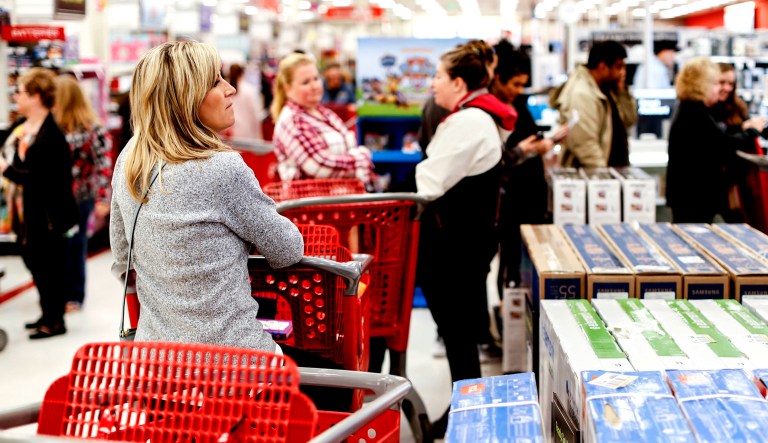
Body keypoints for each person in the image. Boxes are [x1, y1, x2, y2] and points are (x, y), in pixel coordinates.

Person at [110, 41, 304, 353]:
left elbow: (123, 258)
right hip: (234, 370)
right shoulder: (221, 168)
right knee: (344, 384)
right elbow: (287, 250)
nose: (230, 90)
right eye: (215, 82)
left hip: (159, 372)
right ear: (186, 98)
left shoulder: (130, 159)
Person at [415, 40, 517, 438]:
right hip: (466, 244)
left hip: (454, 248)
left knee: (457, 333)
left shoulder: (467, 122)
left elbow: (428, 182)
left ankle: (467, 412)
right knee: (460, 335)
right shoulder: (478, 117)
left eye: (439, 76)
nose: (433, 84)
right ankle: (466, 407)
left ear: (458, 83)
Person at [0, 67, 79, 339]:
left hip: (48, 215)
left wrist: (5, 170)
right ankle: (47, 314)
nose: (16, 98)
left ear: (36, 96)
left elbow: (42, 179)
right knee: (35, 263)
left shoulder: (51, 135)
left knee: (48, 266)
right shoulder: (22, 128)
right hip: (27, 213)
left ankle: (54, 321)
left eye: (20, 92)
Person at [489, 41, 565, 293]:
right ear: (497, 78)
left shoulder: (516, 105)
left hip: (528, 195)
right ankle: (506, 307)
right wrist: (529, 149)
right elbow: (501, 158)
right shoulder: (490, 112)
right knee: (510, 256)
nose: (518, 91)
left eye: (523, 85)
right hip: (510, 198)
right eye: (515, 84)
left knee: (523, 256)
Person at [666, 57, 764, 223]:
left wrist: (742, 130)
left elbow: (715, 139)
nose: (720, 89)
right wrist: (752, 131)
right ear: (701, 83)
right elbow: (723, 144)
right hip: (694, 195)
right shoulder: (694, 111)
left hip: (692, 194)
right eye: (716, 83)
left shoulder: (691, 109)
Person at [53, 75, 113, 313]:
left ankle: (74, 295)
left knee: (75, 245)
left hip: (81, 196)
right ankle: (58, 290)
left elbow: (104, 165)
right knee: (58, 245)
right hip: (56, 197)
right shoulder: (53, 126)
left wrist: (102, 198)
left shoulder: (92, 129)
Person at [271, 53, 374, 188]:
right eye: (305, 82)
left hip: (338, 200)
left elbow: (346, 148)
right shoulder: (293, 120)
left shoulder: (324, 113)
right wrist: (360, 159)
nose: (314, 86)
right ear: (287, 88)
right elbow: (319, 165)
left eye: (316, 78)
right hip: (309, 205)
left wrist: (352, 159)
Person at [550, 40, 637, 167]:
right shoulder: (582, 93)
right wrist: (603, 177)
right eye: (619, 67)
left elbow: (629, 120)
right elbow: (584, 144)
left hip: (610, 172)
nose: (623, 72)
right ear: (602, 67)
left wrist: (622, 92)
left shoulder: (609, 89)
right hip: (592, 176)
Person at [708, 62, 768, 224]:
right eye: (722, 82)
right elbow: (723, 142)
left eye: (731, 84)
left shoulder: (737, 106)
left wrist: (754, 127)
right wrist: (745, 129)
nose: (727, 88)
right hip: (714, 184)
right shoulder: (705, 110)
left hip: (739, 183)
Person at [225, 63, 263, 140]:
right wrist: (259, 134)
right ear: (242, 73)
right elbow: (255, 113)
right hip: (248, 133)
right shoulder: (249, 90)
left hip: (232, 133)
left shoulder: (226, 90)